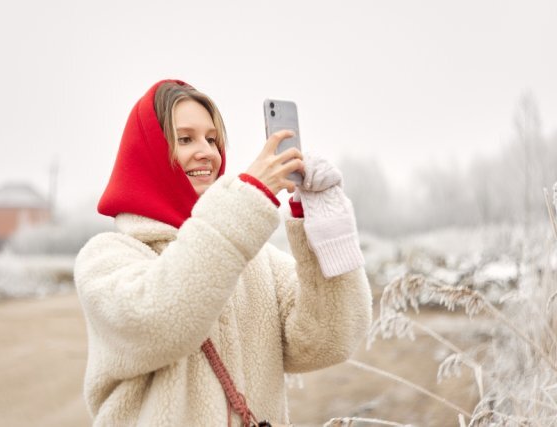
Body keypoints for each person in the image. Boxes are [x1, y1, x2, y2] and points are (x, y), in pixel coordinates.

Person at [74, 79, 372, 426]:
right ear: (148, 153)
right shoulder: (107, 257)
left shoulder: (254, 258)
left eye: (212, 139)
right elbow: (161, 321)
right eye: (185, 139)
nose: (207, 152)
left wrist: (324, 224)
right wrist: (247, 198)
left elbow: (329, 341)